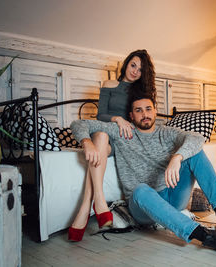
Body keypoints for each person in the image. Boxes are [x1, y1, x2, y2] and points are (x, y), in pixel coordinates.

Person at [69, 91, 216, 257]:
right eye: (138, 111)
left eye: (148, 109)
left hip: (172, 195)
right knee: (140, 190)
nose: (145, 114)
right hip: (142, 206)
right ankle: (207, 237)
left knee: (195, 152)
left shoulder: (166, 132)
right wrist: (86, 142)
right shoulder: (122, 132)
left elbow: (197, 138)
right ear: (131, 116)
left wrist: (177, 157)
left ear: (155, 111)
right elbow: (79, 124)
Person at [68, 50, 156, 239]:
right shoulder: (110, 84)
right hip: (105, 133)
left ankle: (85, 209)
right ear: (126, 64)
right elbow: (101, 115)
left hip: (122, 139)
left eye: (140, 70)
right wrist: (117, 119)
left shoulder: (140, 93)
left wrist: (128, 125)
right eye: (133, 65)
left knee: (100, 142)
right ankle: (98, 202)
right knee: (100, 134)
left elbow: (141, 119)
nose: (135, 71)